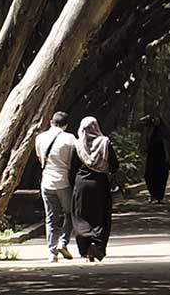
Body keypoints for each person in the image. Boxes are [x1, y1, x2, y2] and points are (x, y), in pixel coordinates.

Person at [69, 116, 119, 262]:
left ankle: (85, 248)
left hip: (81, 185)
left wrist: (74, 186)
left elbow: (72, 168)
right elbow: (115, 165)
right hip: (100, 184)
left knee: (80, 216)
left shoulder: (77, 145)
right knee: (101, 216)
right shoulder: (105, 143)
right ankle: (97, 245)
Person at [34, 111, 76, 262]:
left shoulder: (40, 138)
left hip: (46, 182)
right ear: (66, 125)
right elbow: (74, 160)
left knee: (50, 217)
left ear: (51, 122)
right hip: (63, 182)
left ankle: (51, 253)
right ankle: (63, 242)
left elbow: (40, 159)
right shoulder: (70, 138)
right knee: (70, 214)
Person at [141, 115, 170, 203]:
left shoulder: (164, 131)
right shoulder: (149, 130)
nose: (156, 121)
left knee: (161, 178)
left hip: (162, 159)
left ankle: (159, 197)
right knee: (149, 176)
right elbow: (145, 143)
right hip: (151, 158)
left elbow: (169, 145)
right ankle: (153, 195)